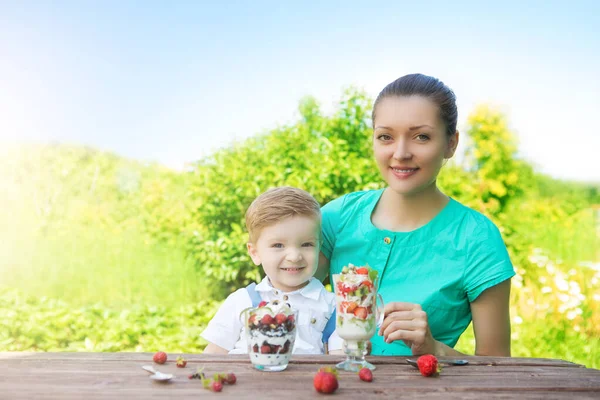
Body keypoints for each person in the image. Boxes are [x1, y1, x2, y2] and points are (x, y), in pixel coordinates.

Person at [317, 73, 515, 357]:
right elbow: (286, 300)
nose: (400, 153)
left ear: (451, 143)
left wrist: (433, 348)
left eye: (421, 136)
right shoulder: (337, 218)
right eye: (385, 136)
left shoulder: (477, 238)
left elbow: (499, 368)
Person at [202, 186, 343, 354]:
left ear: (319, 247)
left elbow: (339, 364)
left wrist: (353, 350)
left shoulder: (333, 307)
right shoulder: (242, 301)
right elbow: (213, 357)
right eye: (278, 245)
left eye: (306, 244)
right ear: (255, 253)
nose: (294, 256)